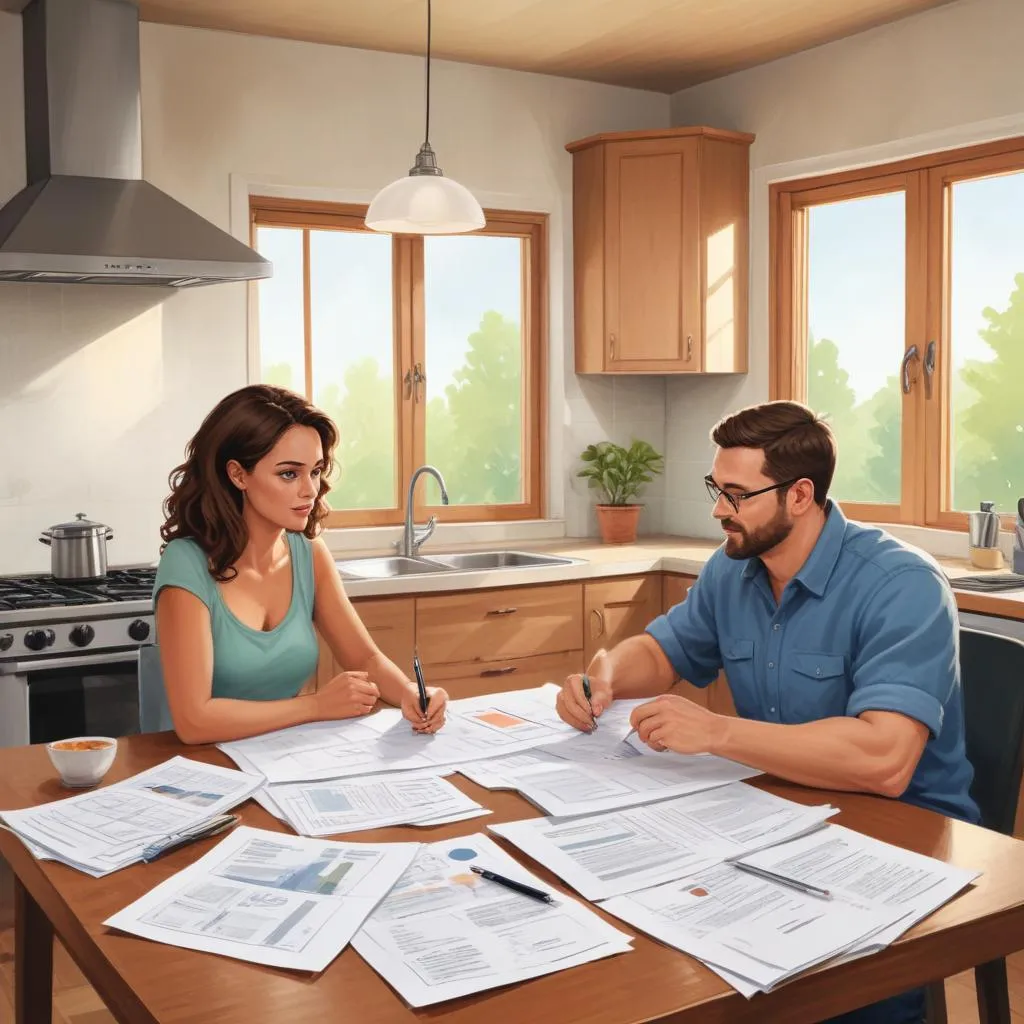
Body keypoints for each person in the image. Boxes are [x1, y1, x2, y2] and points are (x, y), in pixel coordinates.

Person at [556, 400, 977, 1024]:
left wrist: (717, 732)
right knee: (638, 935)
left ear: (799, 495)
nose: (718, 510)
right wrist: (608, 674)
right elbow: (663, 651)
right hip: (779, 815)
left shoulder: (902, 585)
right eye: (716, 489)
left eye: (737, 495)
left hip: (897, 838)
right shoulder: (734, 570)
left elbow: (885, 760)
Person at [153, 384, 447, 745]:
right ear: (238, 475)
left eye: (316, 471)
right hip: (206, 762)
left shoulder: (309, 554)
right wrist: (316, 706)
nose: (310, 490)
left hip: (283, 754)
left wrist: (410, 693)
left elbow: (365, 658)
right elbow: (194, 721)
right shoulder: (186, 563)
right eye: (289, 474)